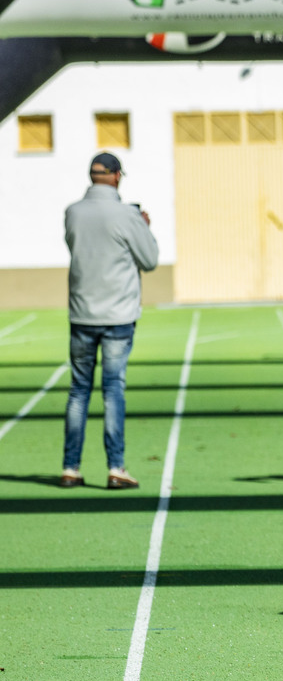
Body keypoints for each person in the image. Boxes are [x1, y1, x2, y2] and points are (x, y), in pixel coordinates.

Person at [61, 153, 159, 489]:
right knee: (113, 391)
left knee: (78, 392)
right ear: (116, 176)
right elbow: (150, 259)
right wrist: (142, 226)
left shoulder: (72, 212)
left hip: (82, 312)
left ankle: (70, 468)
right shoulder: (126, 215)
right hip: (118, 314)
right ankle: (116, 467)